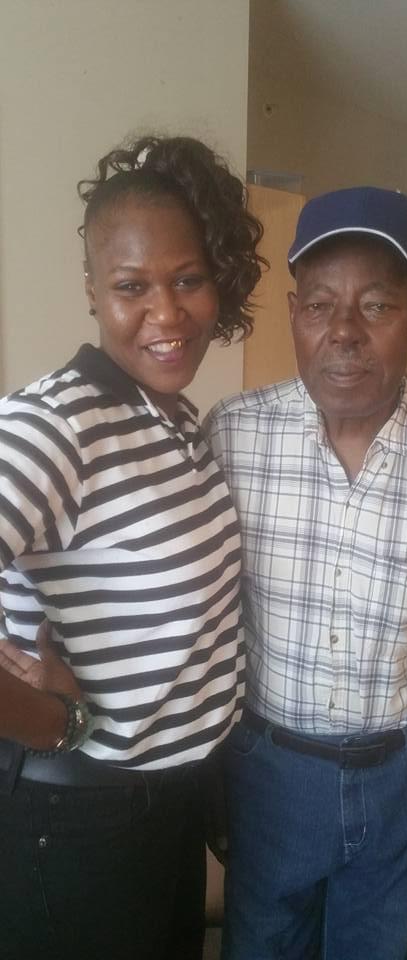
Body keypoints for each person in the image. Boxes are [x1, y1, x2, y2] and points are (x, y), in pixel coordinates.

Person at [204, 186, 407, 960]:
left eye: (377, 304)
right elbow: (206, 626)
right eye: (320, 304)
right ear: (294, 314)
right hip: (267, 774)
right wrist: (209, 785)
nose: (344, 331)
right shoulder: (231, 437)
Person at [0, 134, 264, 960]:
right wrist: (54, 721)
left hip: (170, 804)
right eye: (130, 286)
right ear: (92, 292)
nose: (167, 313)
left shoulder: (170, 419)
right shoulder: (54, 426)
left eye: (188, 279)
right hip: (83, 819)